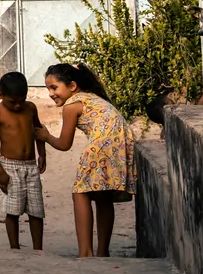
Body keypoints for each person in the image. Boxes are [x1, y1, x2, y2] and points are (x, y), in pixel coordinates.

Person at [37, 63, 135, 259]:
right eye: (48, 88)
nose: (50, 93)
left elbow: (64, 144)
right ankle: (102, 252)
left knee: (80, 193)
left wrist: (46, 136)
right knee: (102, 196)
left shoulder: (72, 106)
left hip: (100, 147)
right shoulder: (94, 98)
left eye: (54, 87)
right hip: (121, 146)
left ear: (72, 86)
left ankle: (85, 252)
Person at [0, 72, 47, 251]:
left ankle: (38, 249)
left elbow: (38, 130)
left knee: (36, 211)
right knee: (13, 210)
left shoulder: (31, 108)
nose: (18, 105)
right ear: (0, 95)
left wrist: (42, 154)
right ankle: (15, 248)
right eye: (12, 101)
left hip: (31, 165)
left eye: (22, 99)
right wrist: (0, 173)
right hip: (10, 167)